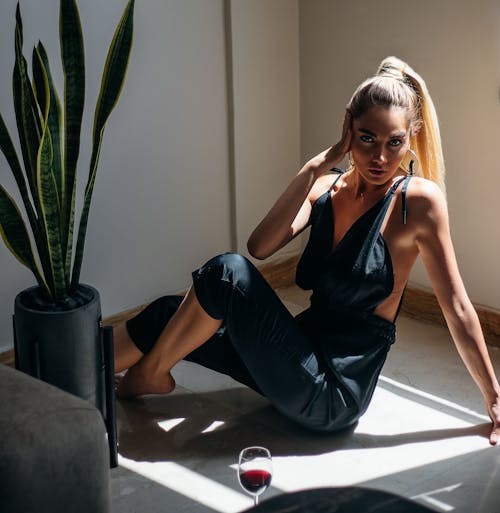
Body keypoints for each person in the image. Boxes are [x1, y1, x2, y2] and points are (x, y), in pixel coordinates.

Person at [114, 56, 500, 444]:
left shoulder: (417, 202)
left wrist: (494, 398)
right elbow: (261, 246)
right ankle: (77, 373)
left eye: (394, 143)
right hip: (295, 358)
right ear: (349, 126)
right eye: (367, 138)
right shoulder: (327, 188)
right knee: (168, 312)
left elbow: (458, 307)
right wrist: (316, 167)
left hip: (332, 395)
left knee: (224, 274)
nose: (380, 157)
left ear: (410, 138)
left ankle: (148, 377)